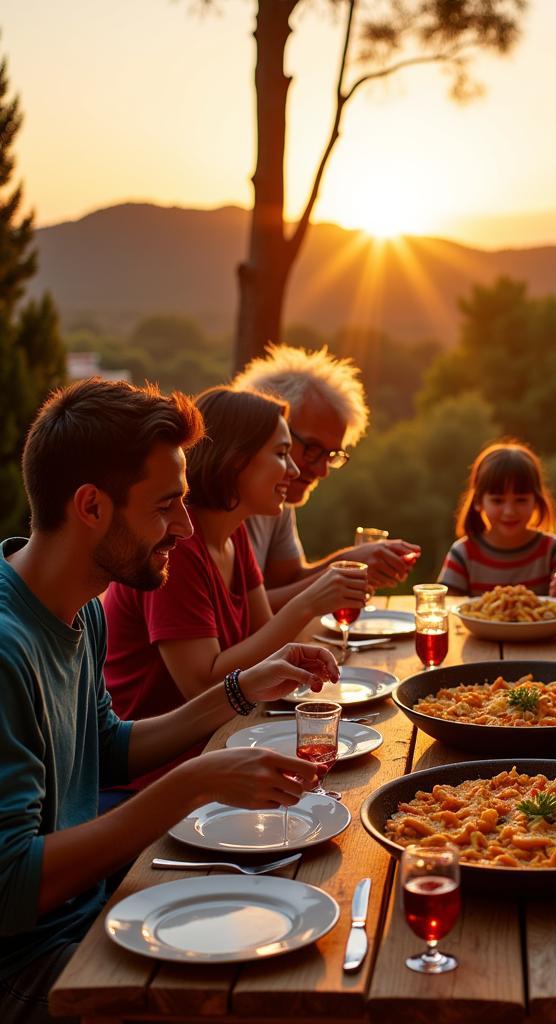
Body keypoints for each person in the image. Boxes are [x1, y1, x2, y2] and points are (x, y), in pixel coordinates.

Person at [0, 379, 338, 1024]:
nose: (183, 527)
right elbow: (12, 886)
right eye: (165, 507)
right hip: (31, 962)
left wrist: (241, 689)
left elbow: (106, 749)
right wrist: (189, 784)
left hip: (93, 910)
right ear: (91, 507)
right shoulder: (6, 648)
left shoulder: (80, 606)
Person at [103, 386, 367, 774]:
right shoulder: (176, 548)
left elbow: (265, 639)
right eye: (281, 454)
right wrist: (310, 601)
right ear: (236, 459)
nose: (293, 470)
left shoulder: (233, 534)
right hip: (159, 773)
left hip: (220, 746)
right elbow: (202, 685)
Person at [232, 344, 420, 610]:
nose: (321, 470)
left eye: (331, 455)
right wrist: (342, 573)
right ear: (265, 429)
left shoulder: (278, 495)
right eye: (312, 449)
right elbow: (238, 612)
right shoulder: (220, 504)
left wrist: (349, 564)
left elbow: (287, 581)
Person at [438, 440, 556, 597]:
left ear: (536, 502)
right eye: (497, 500)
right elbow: (448, 608)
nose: (509, 511)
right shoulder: (463, 554)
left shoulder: (553, 551)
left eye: (521, 500)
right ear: (478, 501)